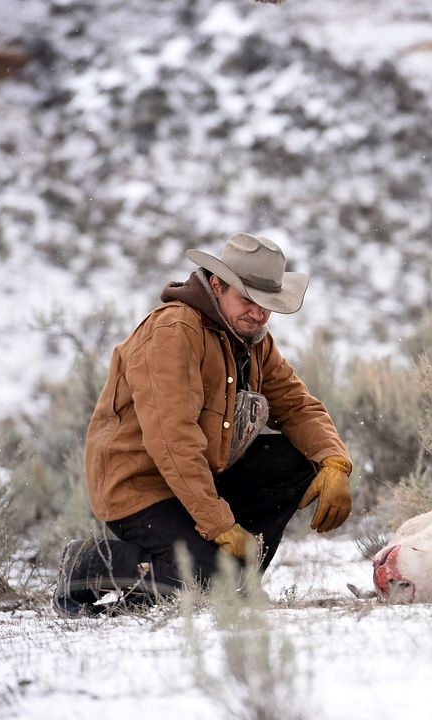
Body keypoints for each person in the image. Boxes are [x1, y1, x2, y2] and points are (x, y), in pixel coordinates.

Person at [53, 233, 353, 616]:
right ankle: (88, 562)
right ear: (216, 285)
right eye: (247, 299)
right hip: (139, 487)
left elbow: (296, 406)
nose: (258, 314)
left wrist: (334, 461)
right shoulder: (173, 332)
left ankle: (233, 579)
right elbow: (173, 441)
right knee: (210, 584)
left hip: (200, 479)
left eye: (267, 304)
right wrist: (219, 524)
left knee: (298, 460)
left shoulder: (253, 338)